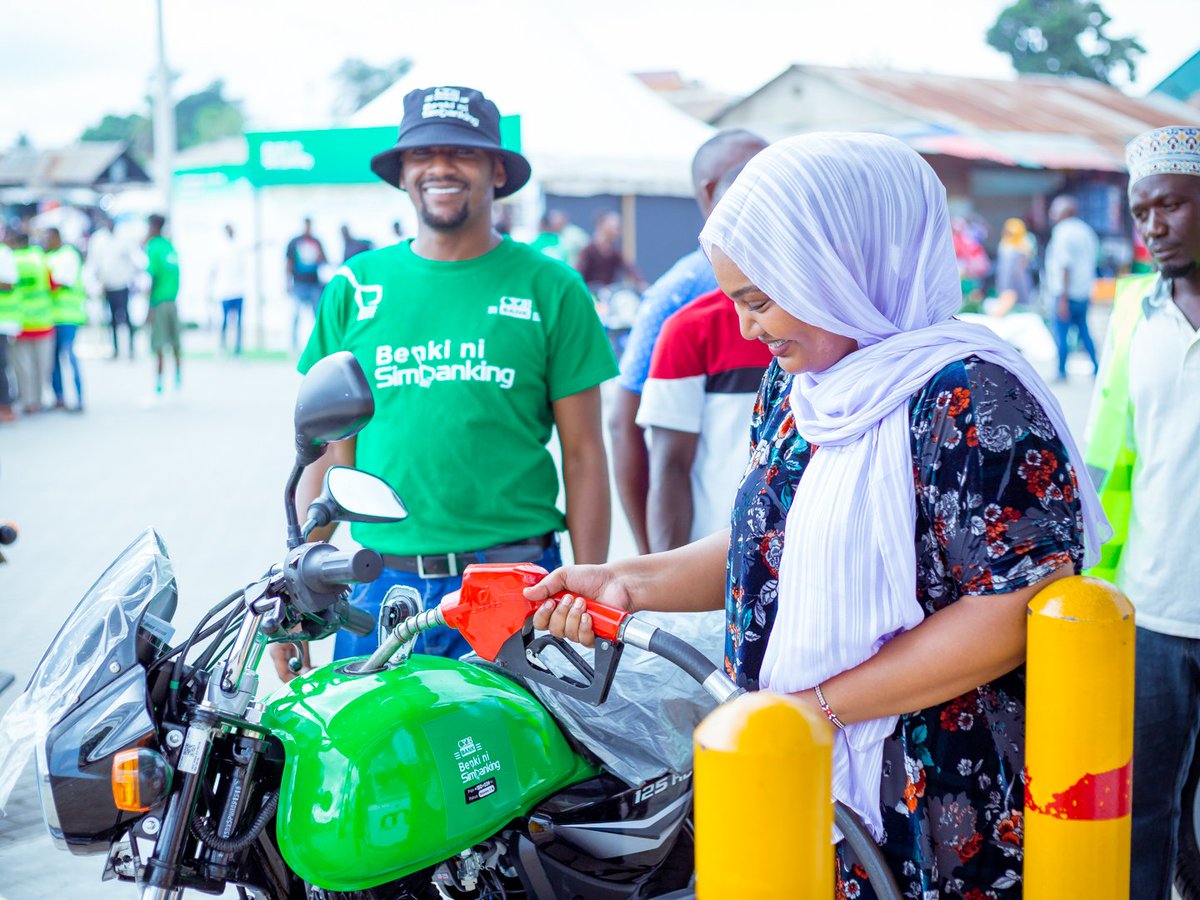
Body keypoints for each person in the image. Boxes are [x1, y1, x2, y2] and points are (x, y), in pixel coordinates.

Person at [531, 133, 1108, 897]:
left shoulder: (970, 396)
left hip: (932, 798)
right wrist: (625, 581)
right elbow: (769, 546)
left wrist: (819, 708)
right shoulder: (801, 385)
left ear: (838, 270)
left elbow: (1013, 604)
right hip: (794, 771)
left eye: (760, 301)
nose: (747, 329)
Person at [271, 85, 616, 680]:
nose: (439, 168)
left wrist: (589, 590)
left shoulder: (553, 288)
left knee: (517, 768)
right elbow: (329, 456)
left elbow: (584, 456)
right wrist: (297, 588)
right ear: (404, 173)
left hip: (518, 587)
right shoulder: (355, 288)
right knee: (370, 765)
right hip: (378, 586)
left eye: (462, 152)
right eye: (422, 154)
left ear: (497, 169)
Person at [1084, 125, 1200, 900]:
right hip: (1155, 609)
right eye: (1140, 209)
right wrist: (1093, 584)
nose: (1152, 225)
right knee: (1144, 810)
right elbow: (1103, 460)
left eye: (1173, 206)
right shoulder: (1132, 313)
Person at [609, 129, 767, 553]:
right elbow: (626, 422)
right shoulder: (678, 300)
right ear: (712, 191)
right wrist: (655, 565)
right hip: (716, 558)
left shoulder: (829, 307)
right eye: (747, 176)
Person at [1044, 194, 1100, 380]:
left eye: (1055, 210)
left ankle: (1061, 371)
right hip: (1083, 291)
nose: (1052, 214)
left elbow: (1065, 266)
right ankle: (1097, 368)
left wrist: (1063, 298)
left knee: (1062, 333)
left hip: (1065, 293)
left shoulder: (1062, 232)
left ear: (1065, 212)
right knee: (1084, 331)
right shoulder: (1086, 231)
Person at [85, 215, 139, 359]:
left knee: (126, 317)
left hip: (122, 284)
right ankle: (115, 349)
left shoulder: (124, 238)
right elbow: (94, 262)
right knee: (111, 320)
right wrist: (95, 282)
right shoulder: (99, 240)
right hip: (107, 285)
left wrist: (133, 279)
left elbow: (133, 260)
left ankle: (131, 348)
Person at [44, 228, 86, 411]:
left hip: (68, 317)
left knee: (69, 357)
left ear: (57, 237)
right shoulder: (48, 256)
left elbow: (61, 281)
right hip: (51, 317)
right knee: (52, 360)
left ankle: (79, 398)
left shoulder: (69, 255)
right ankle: (59, 397)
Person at [145, 214, 182, 395]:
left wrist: (149, 305)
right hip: (172, 300)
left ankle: (159, 382)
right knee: (175, 342)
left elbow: (153, 276)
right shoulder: (170, 246)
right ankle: (177, 376)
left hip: (159, 301)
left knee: (159, 343)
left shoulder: (153, 247)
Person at [285, 217, 327, 351]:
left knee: (317, 316)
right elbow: (289, 263)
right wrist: (287, 282)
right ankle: (294, 345)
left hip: (314, 284)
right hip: (299, 284)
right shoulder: (295, 242)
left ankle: (318, 345)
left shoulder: (316, 242)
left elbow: (324, 261)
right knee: (296, 316)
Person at [577, 211, 642, 292]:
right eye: (614, 226)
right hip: (590, 294)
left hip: (608, 295)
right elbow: (578, 274)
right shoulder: (588, 250)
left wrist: (641, 283)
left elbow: (629, 268)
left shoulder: (615, 251)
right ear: (601, 226)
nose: (618, 230)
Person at [210, 224, 247, 356]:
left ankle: (237, 350)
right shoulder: (221, 249)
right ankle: (222, 347)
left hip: (238, 290)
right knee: (225, 321)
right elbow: (213, 271)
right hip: (225, 292)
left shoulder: (239, 247)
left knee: (239, 322)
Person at [993, 217, 1036, 314]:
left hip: (1018, 278)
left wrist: (1017, 275)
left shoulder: (1024, 243)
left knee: (1021, 305)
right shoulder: (1004, 242)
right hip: (1004, 276)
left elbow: (1023, 264)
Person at [0, 234, 18, 423]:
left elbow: (8, 283)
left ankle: (6, 406)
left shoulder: (4, 254)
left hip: (3, 322)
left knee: (1, 366)